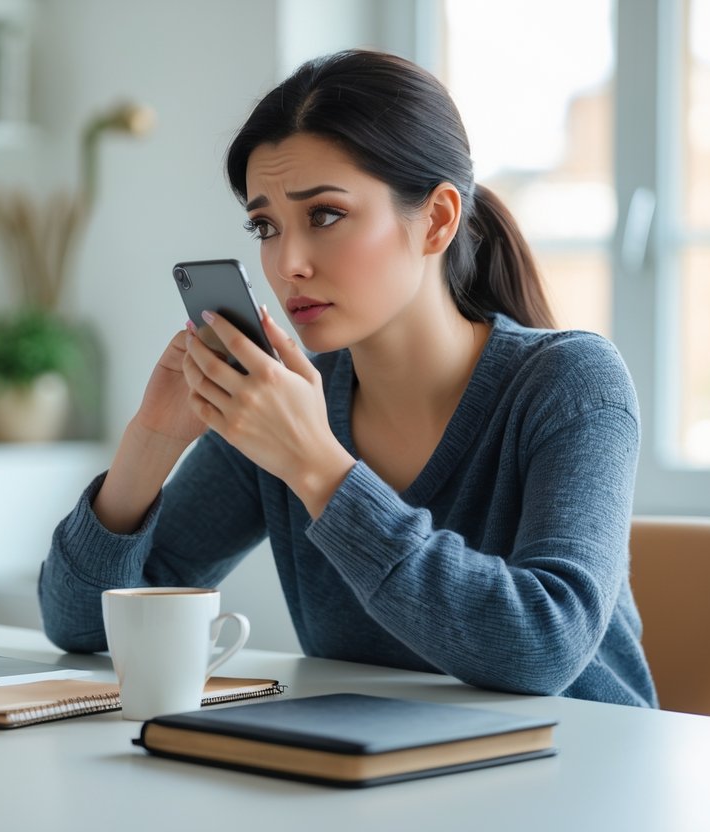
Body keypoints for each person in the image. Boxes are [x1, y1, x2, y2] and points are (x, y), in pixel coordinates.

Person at [38, 49, 656, 707]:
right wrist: (153, 440)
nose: (287, 264)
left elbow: (541, 647)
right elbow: (81, 627)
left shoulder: (571, 381)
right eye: (265, 226)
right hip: (377, 786)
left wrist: (315, 465)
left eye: (324, 215)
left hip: (575, 776)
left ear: (437, 220)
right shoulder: (288, 400)